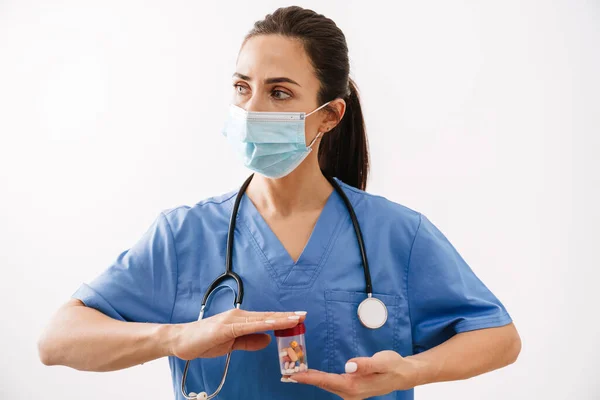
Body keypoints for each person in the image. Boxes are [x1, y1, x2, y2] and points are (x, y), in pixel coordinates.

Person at [38, 6, 521, 400]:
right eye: (242, 87)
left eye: (280, 93)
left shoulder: (397, 233)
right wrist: (174, 337)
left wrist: (409, 371)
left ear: (329, 116)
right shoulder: (184, 236)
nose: (251, 112)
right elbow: (57, 340)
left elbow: (499, 338)